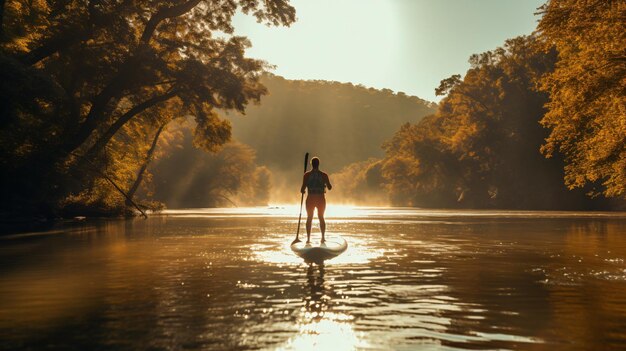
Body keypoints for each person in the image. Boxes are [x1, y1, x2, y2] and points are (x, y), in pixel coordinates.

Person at [300, 157, 332, 243]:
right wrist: (325, 184)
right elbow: (330, 187)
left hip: (310, 198)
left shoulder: (306, 175)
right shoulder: (324, 175)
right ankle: (322, 237)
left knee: (309, 218)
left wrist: (303, 190)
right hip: (320, 199)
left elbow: (302, 189)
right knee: (321, 217)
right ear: (318, 164)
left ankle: (308, 239)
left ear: (311, 164)